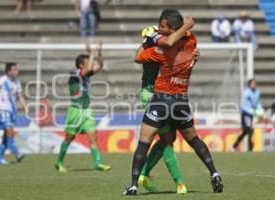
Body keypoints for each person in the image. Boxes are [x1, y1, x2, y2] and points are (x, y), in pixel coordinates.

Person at [123, 9, 223, 195]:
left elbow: (139, 56)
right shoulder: (191, 41)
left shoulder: (160, 49)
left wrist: (148, 40)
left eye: (163, 27)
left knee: (144, 142)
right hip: (181, 102)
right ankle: (214, 173)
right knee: (192, 140)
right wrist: (183, 29)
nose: (160, 29)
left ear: (174, 28)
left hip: (159, 99)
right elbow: (182, 45)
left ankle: (134, 185)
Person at [137, 17, 196, 195]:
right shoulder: (157, 49)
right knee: (167, 139)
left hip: (162, 97)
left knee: (168, 139)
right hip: (153, 96)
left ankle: (144, 174)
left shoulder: (154, 47)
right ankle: (179, 183)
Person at [55, 40, 111, 172]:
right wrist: (91, 53)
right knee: (69, 138)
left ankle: (97, 163)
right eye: (87, 62)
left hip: (86, 111)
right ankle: (59, 162)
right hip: (75, 111)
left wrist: (98, 51)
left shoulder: (85, 72)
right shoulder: (75, 74)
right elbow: (86, 70)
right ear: (81, 65)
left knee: (93, 136)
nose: (90, 65)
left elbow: (100, 65)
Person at [0, 63, 27, 165]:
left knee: (7, 135)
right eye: (14, 70)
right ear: (8, 71)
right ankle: (16, 152)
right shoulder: (2, 80)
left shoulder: (17, 82)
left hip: (12, 111)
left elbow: (20, 96)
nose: (16, 71)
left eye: (16, 69)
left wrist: (25, 106)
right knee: (10, 131)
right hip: (3, 109)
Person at [233, 79, 263, 151]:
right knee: (249, 130)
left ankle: (234, 145)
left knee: (246, 132)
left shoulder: (257, 92)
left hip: (251, 114)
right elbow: (243, 105)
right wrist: (250, 111)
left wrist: (260, 110)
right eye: (252, 84)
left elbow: (257, 103)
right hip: (245, 114)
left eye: (255, 84)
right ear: (249, 85)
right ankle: (250, 149)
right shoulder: (246, 93)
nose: (254, 85)